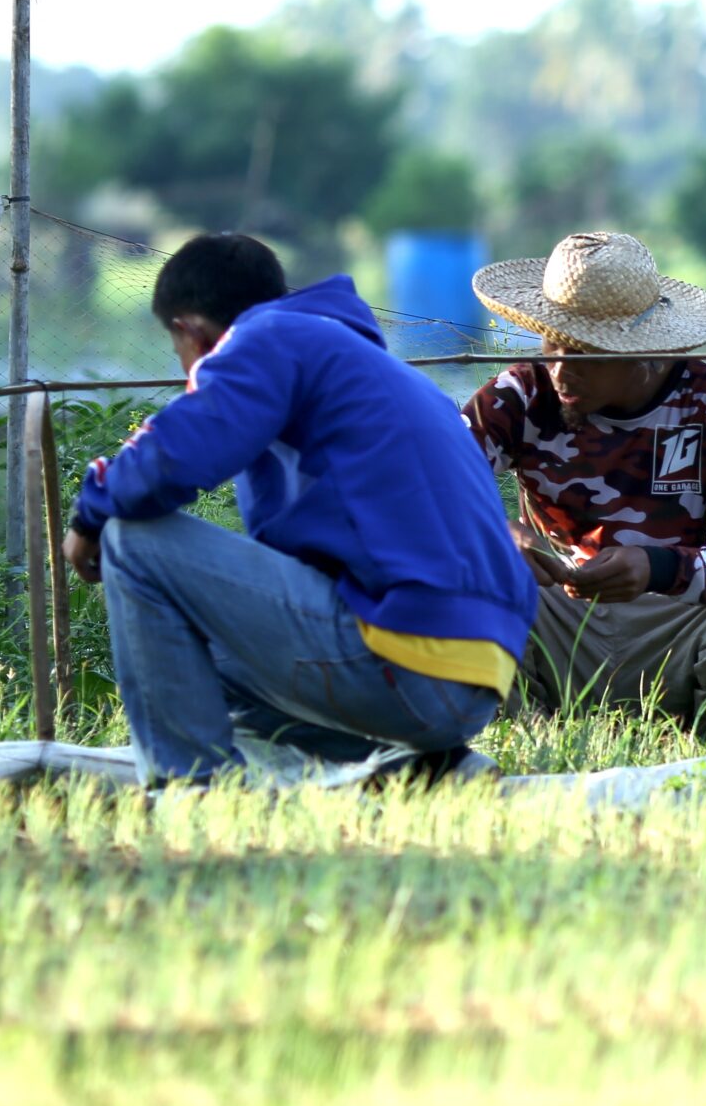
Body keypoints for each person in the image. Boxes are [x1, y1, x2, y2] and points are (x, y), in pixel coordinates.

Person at [62, 232, 535, 785]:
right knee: (195, 655)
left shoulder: (269, 336)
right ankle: (429, 764)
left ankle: (186, 788)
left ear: (190, 330)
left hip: (406, 660)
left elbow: (178, 451)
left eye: (179, 354)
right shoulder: (366, 364)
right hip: (470, 683)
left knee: (133, 539)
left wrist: (91, 512)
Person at [463, 230, 706, 725]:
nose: (561, 369)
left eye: (583, 351)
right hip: (554, 617)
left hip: (672, 621)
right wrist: (496, 535)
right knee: (459, 577)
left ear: (641, 352)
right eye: (551, 341)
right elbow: (430, 486)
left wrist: (658, 567)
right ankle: (526, 736)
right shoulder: (518, 394)